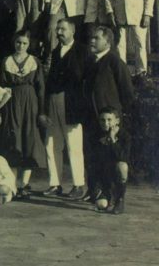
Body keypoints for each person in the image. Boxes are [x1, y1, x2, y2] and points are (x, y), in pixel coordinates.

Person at [82, 26, 135, 201]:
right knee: (92, 157)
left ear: (108, 41)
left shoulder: (114, 62)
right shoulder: (90, 61)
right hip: (92, 119)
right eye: (91, 37)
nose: (92, 41)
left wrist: (117, 118)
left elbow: (127, 93)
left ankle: (115, 196)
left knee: (111, 159)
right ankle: (94, 191)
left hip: (109, 122)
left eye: (96, 38)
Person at [0, 31, 48, 198]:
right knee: (12, 138)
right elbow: (1, 87)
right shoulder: (6, 61)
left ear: (29, 44)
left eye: (24, 43)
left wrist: (41, 111)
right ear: (14, 42)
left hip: (30, 103)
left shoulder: (34, 62)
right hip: (11, 102)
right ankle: (12, 184)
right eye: (18, 42)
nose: (21, 46)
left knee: (28, 140)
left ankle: (23, 184)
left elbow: (41, 88)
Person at [42, 18, 89, 199]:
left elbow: (86, 80)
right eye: (57, 29)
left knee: (73, 144)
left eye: (63, 29)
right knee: (51, 143)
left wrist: (82, 105)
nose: (59, 32)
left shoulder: (83, 51)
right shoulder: (55, 52)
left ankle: (78, 185)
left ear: (73, 31)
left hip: (72, 104)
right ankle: (55, 184)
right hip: (54, 100)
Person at [91, 107, 130, 214]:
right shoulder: (95, 136)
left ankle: (120, 200)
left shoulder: (124, 136)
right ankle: (107, 196)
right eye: (102, 120)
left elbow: (122, 157)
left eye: (109, 119)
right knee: (102, 205)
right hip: (103, 177)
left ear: (117, 121)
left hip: (116, 175)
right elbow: (92, 164)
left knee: (122, 166)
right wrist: (94, 189)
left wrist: (112, 139)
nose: (105, 123)